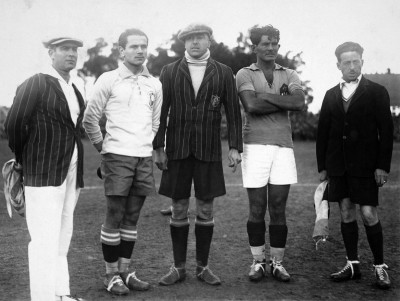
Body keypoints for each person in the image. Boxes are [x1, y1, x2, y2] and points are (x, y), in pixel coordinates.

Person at [153, 23, 243, 286]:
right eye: (189, 38)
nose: (194, 43)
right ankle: (178, 268)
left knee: (205, 207)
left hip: (208, 149)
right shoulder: (169, 71)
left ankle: (203, 267)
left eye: (200, 38)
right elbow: (160, 112)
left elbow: (234, 114)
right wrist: (158, 146)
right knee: (178, 207)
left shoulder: (224, 72)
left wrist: (235, 147)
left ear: (209, 41)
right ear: (184, 42)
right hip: (177, 150)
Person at [5, 36, 86, 301]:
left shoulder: (74, 87)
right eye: (64, 49)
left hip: (71, 169)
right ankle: (42, 297)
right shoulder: (37, 82)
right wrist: (24, 158)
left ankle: (61, 293)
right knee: (43, 238)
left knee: (63, 234)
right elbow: (15, 124)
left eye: (74, 50)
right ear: (51, 52)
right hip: (42, 169)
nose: (71, 54)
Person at [83, 28, 162, 295]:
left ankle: (126, 271)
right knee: (114, 216)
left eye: (144, 46)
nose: (140, 51)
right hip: (116, 156)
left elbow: (156, 122)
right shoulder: (109, 79)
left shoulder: (155, 83)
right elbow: (89, 119)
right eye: (134, 47)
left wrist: (142, 144)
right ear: (121, 51)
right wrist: (104, 149)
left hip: (143, 157)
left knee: (132, 216)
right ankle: (111, 275)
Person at [316, 42, 393, 289]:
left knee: (369, 214)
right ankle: (353, 265)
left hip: (366, 166)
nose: (351, 66)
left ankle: (380, 267)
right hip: (338, 166)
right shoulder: (330, 94)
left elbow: (387, 131)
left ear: (362, 62)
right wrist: (323, 166)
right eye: (346, 62)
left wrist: (382, 166)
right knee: (346, 211)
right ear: (338, 65)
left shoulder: (377, 91)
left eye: (355, 61)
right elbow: (323, 133)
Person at [236, 25, 305, 283]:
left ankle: (277, 262)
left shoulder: (290, 73)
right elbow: (250, 105)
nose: (271, 48)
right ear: (254, 47)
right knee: (257, 208)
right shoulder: (244, 73)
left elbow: (298, 103)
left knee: (278, 207)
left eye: (275, 43)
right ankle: (257, 262)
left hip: (283, 146)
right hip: (254, 146)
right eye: (265, 44)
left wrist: (265, 97)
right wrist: (279, 98)